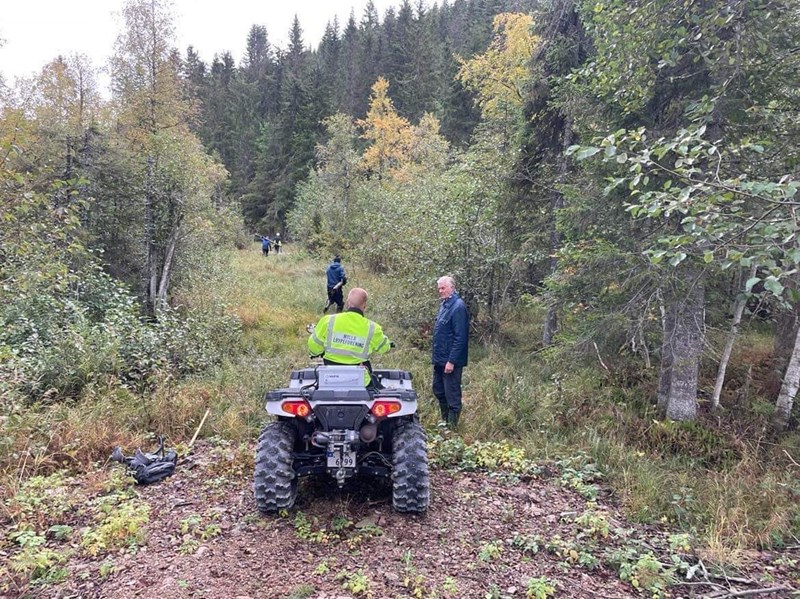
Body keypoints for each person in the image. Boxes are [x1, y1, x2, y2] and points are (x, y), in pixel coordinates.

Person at [308, 287, 393, 386]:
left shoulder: (328, 321)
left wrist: (315, 353)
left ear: (348, 302)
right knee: (379, 394)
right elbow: (383, 347)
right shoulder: (373, 328)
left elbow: (313, 346)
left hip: (329, 378)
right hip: (360, 381)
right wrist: (389, 345)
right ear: (365, 306)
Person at [432, 275, 469, 428]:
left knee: (452, 395)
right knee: (438, 390)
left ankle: (451, 430)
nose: (440, 291)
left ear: (452, 288)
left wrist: (451, 361)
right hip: (439, 359)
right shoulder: (445, 304)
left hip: (450, 362)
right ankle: (444, 423)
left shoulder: (458, 306)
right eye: (439, 288)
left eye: (443, 288)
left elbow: (461, 337)